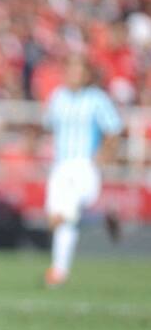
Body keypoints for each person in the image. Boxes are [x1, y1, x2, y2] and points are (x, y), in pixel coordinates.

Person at [43, 55, 122, 286]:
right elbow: (48, 125)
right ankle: (101, 217)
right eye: (71, 70)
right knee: (56, 221)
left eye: (79, 71)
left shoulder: (97, 99)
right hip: (60, 165)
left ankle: (58, 271)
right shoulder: (58, 97)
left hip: (83, 165)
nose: (73, 75)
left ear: (87, 75)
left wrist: (105, 154)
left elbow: (113, 129)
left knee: (65, 214)